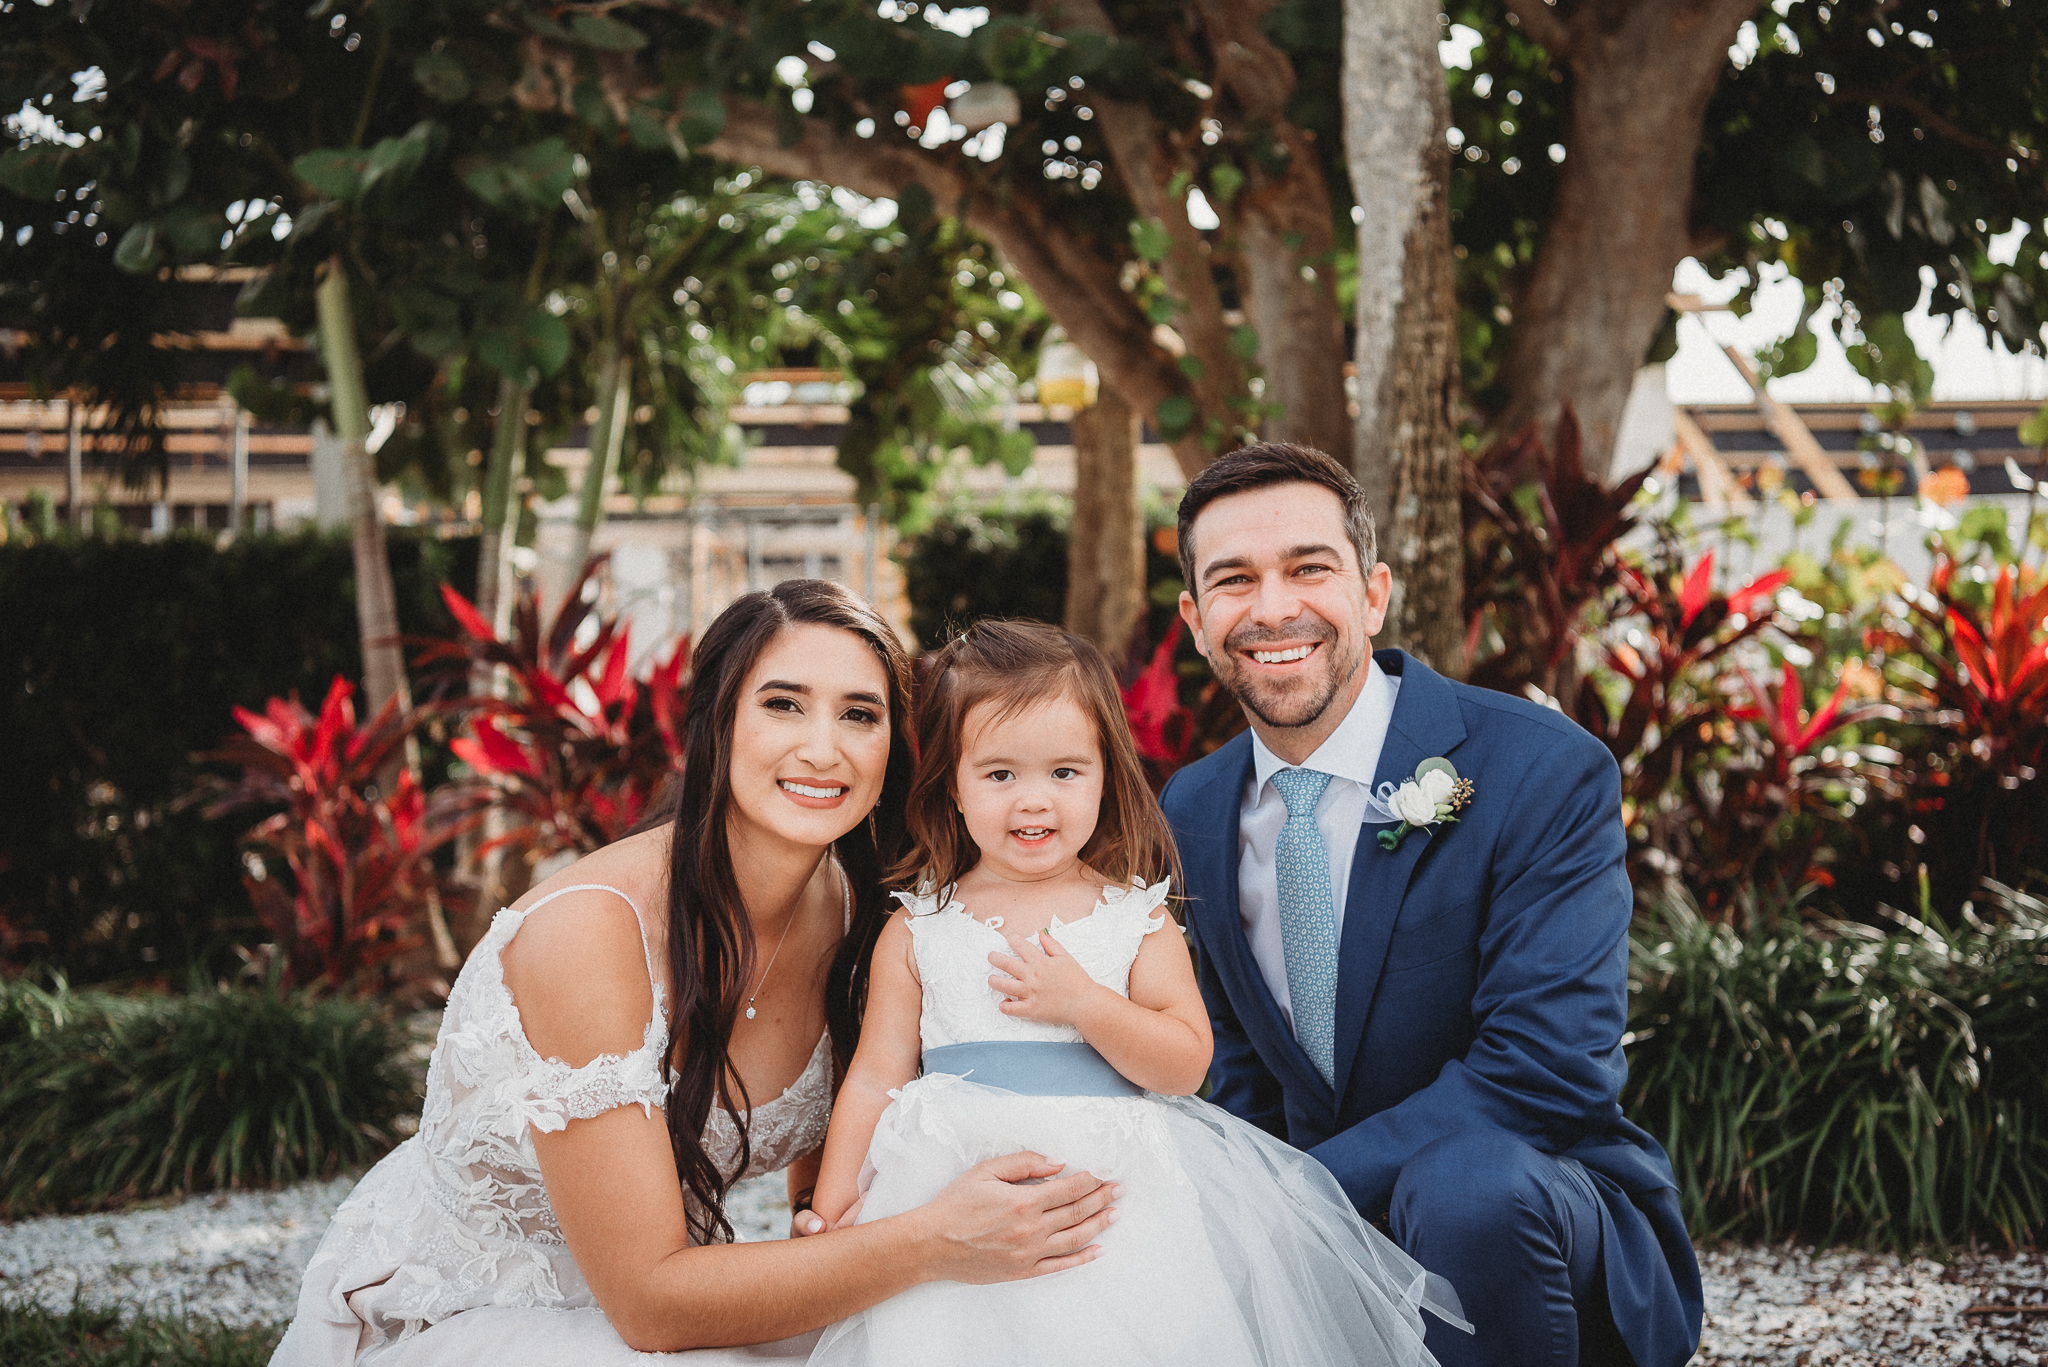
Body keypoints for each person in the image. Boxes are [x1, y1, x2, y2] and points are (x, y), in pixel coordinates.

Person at [270, 580, 1118, 1367]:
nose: (822, 748)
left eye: (860, 714)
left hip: (696, 1296)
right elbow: (649, 1307)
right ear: (717, 722)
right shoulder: (592, 932)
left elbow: (827, 1184)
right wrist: (934, 1239)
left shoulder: (865, 915)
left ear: (895, 749)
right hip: (488, 1311)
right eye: (783, 704)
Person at [1158, 444, 1705, 1367]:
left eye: (1308, 568)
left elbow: (1543, 1070)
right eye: (1234, 580)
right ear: (1198, 621)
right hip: (1317, 1243)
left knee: (1466, 1188)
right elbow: (1235, 1069)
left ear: (1372, 594)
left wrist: (1304, 1193)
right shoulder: (1191, 808)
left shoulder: (1541, 768)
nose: (1273, 607)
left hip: (1524, 1213)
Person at [804, 618, 1466, 1367]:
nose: (1033, 801)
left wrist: (1086, 1004)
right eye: (999, 774)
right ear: (952, 785)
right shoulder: (920, 927)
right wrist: (834, 1214)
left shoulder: (1132, 917)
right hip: (946, 1190)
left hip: (1110, 1206)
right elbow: (874, 1074)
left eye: (1064, 772)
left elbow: (1186, 1062)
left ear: (1103, 775)